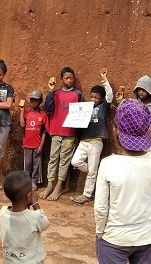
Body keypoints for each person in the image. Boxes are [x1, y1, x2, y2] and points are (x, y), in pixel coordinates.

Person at [94, 98, 151, 264]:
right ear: (149, 130)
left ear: (115, 132)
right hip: (144, 237)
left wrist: (100, 233)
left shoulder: (108, 164)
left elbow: (100, 209)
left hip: (113, 238)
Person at [0, 171, 50, 264]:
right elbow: (45, 223)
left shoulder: (3, 213)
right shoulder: (33, 217)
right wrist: (35, 203)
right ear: (28, 196)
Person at [40, 67, 83, 201]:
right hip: (55, 132)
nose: (69, 80)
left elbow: (81, 115)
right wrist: (51, 91)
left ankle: (59, 186)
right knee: (53, 158)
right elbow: (48, 108)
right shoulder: (56, 93)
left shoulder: (78, 94)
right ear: (61, 79)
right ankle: (50, 185)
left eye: (71, 78)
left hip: (70, 133)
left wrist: (77, 135)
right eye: (66, 78)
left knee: (65, 160)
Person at [71, 72, 113, 204]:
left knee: (92, 171)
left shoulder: (104, 107)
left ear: (101, 99)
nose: (93, 99)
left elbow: (110, 96)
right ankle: (94, 172)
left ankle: (87, 194)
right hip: (84, 140)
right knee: (75, 162)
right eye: (91, 96)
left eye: (96, 97)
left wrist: (105, 80)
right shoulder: (85, 107)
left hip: (96, 141)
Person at [19, 90, 49, 191]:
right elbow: (22, 125)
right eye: (31, 100)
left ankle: (34, 181)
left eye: (35, 101)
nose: (33, 103)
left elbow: (44, 131)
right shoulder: (27, 112)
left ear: (40, 101)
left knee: (36, 164)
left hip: (37, 144)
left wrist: (41, 145)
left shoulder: (43, 115)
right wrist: (22, 111)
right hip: (27, 143)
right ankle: (27, 181)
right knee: (27, 164)